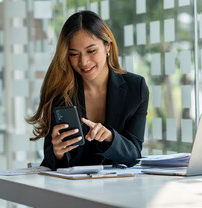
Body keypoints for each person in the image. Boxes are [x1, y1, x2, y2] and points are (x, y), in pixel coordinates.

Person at [26, 10, 149, 170]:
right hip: (70, 189)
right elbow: (50, 162)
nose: (83, 62)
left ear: (108, 46)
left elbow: (134, 154)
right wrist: (57, 153)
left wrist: (110, 138)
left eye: (91, 51)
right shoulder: (60, 91)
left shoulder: (135, 88)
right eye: (73, 54)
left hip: (119, 187)